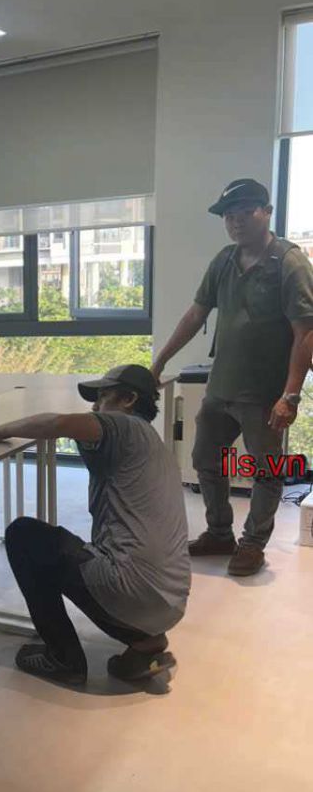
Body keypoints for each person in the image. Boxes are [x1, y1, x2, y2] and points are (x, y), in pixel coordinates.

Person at [0, 365, 189, 687]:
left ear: (128, 399)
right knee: (92, 548)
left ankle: (62, 658)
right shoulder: (153, 443)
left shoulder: (124, 425)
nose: (95, 407)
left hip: (131, 592)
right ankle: (146, 644)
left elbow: (58, 424)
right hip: (170, 603)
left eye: (103, 397)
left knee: (24, 535)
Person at [151, 178, 313, 577]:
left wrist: (290, 395)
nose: (235, 221)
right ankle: (219, 534)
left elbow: (306, 332)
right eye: (228, 215)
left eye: (244, 212)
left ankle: (252, 544)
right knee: (206, 460)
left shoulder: (289, 263)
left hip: (263, 394)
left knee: (266, 470)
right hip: (221, 387)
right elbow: (196, 314)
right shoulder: (224, 260)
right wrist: (160, 360)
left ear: (266, 212)